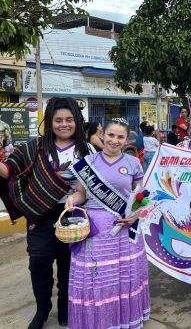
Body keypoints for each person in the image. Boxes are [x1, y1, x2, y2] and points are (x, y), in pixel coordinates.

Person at [0, 97, 93, 329]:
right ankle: (43, 309)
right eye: (58, 120)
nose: (64, 124)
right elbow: (7, 170)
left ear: (77, 122)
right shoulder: (35, 147)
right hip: (40, 215)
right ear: (49, 122)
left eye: (69, 120)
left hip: (72, 214)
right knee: (38, 263)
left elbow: (96, 184)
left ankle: (64, 306)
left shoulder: (87, 149)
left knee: (68, 265)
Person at [65, 118, 150, 329]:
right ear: (102, 135)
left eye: (120, 137)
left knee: (124, 275)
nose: (114, 140)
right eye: (111, 135)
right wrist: (72, 200)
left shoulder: (133, 163)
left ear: (125, 139)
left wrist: (134, 215)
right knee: (96, 278)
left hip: (124, 227)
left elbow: (142, 197)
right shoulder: (88, 162)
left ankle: (124, 320)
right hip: (96, 230)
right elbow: (80, 193)